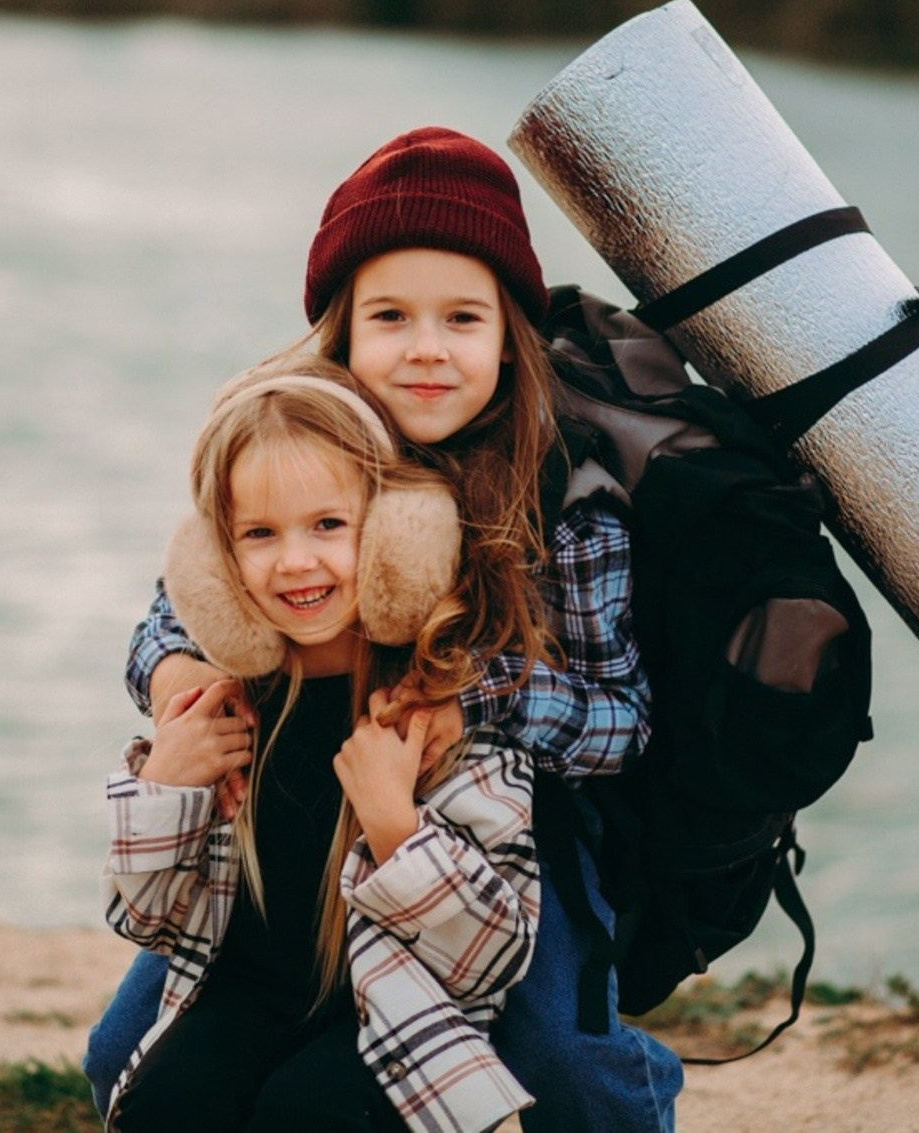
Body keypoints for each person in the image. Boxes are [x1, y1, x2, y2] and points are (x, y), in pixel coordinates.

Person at [88, 128, 683, 1131]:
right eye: (389, 316)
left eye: (461, 317)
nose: (423, 348)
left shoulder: (566, 497)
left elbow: (620, 721)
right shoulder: (298, 438)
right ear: (342, 332)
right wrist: (175, 679)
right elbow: (180, 601)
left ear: (508, 334)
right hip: (305, 803)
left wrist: (469, 694)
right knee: (123, 1059)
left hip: (507, 820)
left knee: (553, 1067)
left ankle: (635, 1097)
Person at [102, 360, 539, 1133]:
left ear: (394, 535)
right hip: (245, 1002)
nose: (295, 560)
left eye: (327, 525)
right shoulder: (224, 708)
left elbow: (493, 961)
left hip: (398, 1017)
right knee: (162, 1104)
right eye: (260, 534)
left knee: (308, 1110)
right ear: (216, 557)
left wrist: (396, 826)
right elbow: (144, 921)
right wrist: (165, 786)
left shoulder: (438, 713)